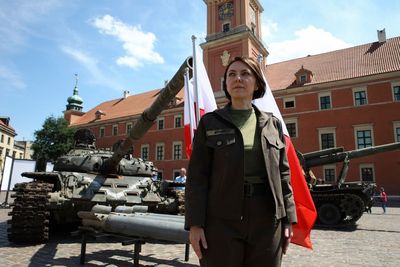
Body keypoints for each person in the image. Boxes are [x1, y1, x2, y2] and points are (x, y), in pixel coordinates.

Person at [185, 56, 297, 267]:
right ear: (226, 84)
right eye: (232, 74)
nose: (238, 78)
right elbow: (197, 177)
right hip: (220, 218)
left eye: (245, 74)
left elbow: (283, 175)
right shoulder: (210, 122)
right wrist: (195, 224)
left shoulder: (272, 123)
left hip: (267, 218)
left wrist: (288, 218)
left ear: (256, 83)